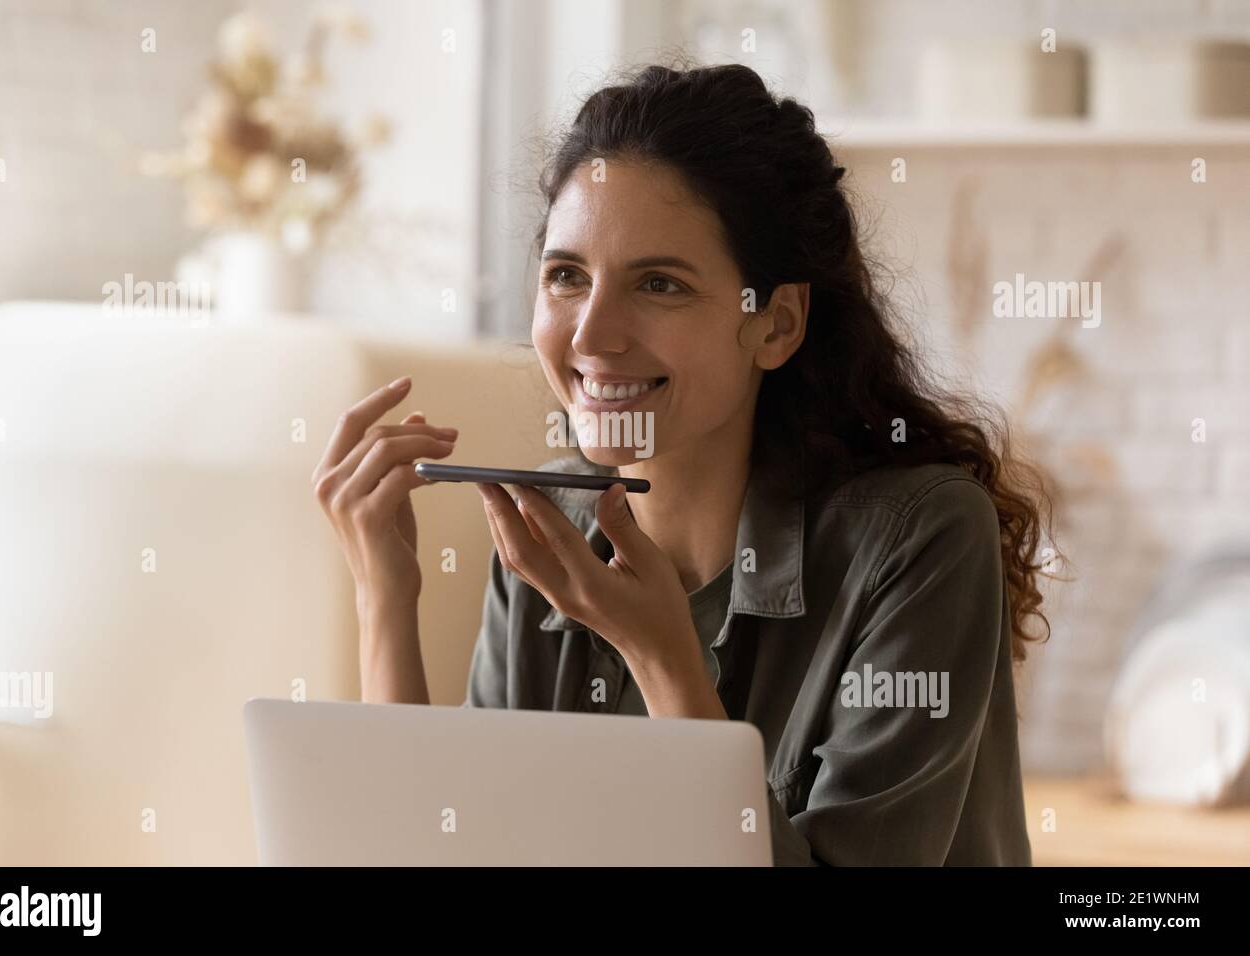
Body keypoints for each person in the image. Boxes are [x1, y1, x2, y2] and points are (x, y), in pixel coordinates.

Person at [312, 62, 1050, 865]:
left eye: (658, 283)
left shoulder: (922, 537)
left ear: (775, 324)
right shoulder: (545, 533)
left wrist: (665, 660)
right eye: (566, 276)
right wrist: (385, 596)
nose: (592, 335)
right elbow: (448, 853)